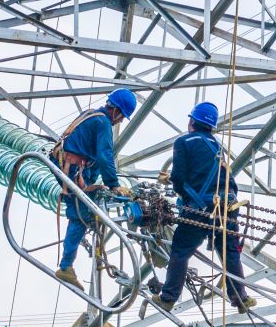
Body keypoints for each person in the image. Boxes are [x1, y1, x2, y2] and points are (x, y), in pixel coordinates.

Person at [149, 101, 254, 313]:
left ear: (192, 121)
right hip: (229, 206)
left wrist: (184, 197)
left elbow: (179, 178)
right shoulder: (216, 147)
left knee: (180, 251)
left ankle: (168, 298)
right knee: (229, 251)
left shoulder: (184, 142)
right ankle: (240, 297)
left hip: (202, 208)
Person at [54, 88, 137, 287]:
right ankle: (65, 267)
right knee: (82, 216)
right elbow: (104, 155)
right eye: (122, 117)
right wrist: (114, 185)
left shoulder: (92, 114)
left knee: (85, 210)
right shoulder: (103, 123)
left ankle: (68, 263)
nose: (120, 121)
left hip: (70, 165)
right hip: (72, 169)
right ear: (116, 111)